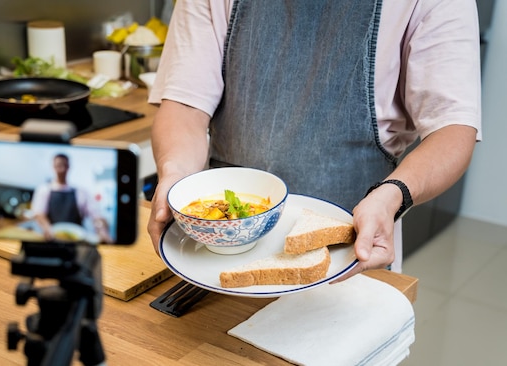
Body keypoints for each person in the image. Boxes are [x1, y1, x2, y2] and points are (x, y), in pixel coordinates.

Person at [147, 0, 482, 280]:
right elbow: (185, 105)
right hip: (217, 253)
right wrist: (175, 175)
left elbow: (452, 130)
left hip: (352, 252)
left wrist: (394, 195)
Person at [31, 153, 112, 243]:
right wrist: (47, 229)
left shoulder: (81, 192)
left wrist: (102, 230)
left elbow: (97, 216)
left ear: (68, 167)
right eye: (58, 165)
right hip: (52, 241)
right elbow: (39, 214)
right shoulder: (44, 190)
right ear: (53, 167)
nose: (61, 169)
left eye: (64, 165)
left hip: (77, 243)